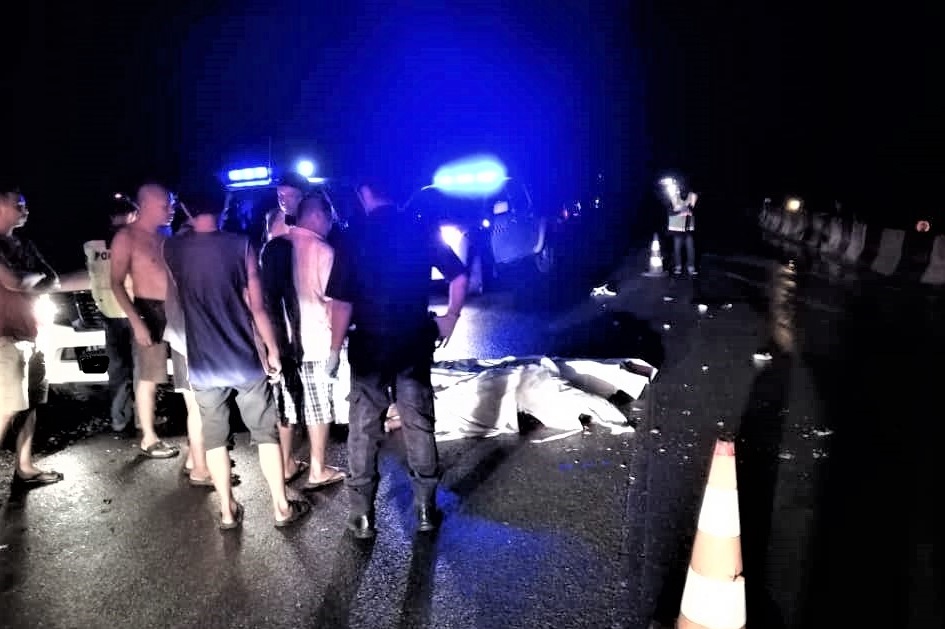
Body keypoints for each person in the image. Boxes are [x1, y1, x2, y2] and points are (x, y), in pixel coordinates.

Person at [326, 177, 468, 539]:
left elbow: (342, 302)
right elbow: (458, 275)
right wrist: (451, 316)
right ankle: (425, 508)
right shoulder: (421, 229)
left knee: (364, 428)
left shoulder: (353, 235)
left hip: (369, 345)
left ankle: (362, 515)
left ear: (365, 191)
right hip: (413, 341)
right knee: (418, 422)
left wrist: (334, 349)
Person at [163, 189, 310, 530]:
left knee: (214, 437)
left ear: (185, 207)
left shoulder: (171, 248)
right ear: (224, 203)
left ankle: (227, 511)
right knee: (265, 433)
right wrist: (272, 349)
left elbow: (176, 298)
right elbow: (257, 307)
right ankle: (281, 507)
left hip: (202, 361)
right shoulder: (241, 245)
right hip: (243, 358)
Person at [261, 193, 346, 489]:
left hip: (281, 344)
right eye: (329, 218)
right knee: (318, 407)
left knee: (285, 407)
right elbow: (333, 304)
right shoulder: (324, 251)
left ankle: (285, 464)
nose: (331, 224)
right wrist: (336, 347)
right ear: (319, 215)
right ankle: (317, 469)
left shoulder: (273, 247)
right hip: (314, 341)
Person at [109, 183, 179, 459]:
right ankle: (148, 437)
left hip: (175, 310)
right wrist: (136, 321)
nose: (171, 210)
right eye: (165, 205)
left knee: (184, 375)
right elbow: (115, 283)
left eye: (171, 204)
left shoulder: (165, 236)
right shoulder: (126, 236)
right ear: (147, 205)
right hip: (148, 309)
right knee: (149, 375)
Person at [0, 184, 63, 487]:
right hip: (5, 337)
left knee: (32, 401)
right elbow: (12, 282)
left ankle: (24, 467)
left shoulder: (25, 244)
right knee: (6, 407)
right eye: (19, 204)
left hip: (34, 333)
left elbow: (54, 280)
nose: (25, 210)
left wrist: (31, 280)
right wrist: (33, 278)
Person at [84, 195, 138, 434]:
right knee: (139, 369)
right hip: (133, 310)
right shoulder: (131, 240)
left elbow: (92, 275)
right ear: (131, 215)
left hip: (108, 311)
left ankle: (119, 417)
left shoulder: (92, 245)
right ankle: (142, 417)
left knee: (117, 369)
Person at [663, 177, 698, 275]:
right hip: (677, 227)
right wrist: (682, 209)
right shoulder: (673, 195)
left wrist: (685, 208)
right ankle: (678, 267)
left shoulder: (692, 195)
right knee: (677, 247)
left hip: (688, 226)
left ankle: (691, 267)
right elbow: (674, 207)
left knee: (690, 247)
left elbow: (692, 207)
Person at [264, 172, 309, 242]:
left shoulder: (312, 220)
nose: (283, 200)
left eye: (290, 196)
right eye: (280, 195)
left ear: (302, 197)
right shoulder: (273, 217)